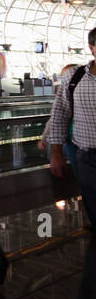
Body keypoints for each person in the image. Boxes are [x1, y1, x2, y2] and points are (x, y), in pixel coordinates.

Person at [44, 28, 96, 230]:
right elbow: (59, 115)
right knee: (92, 203)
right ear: (91, 48)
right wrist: (56, 153)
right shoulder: (75, 77)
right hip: (87, 156)